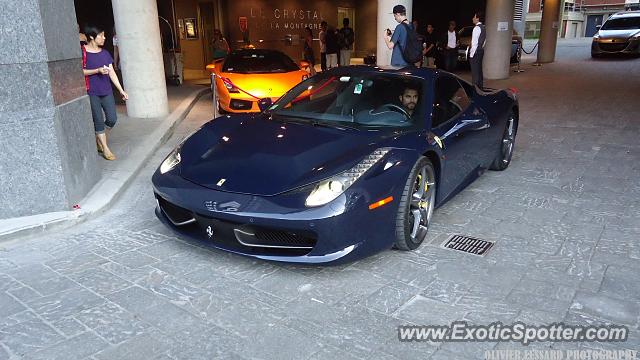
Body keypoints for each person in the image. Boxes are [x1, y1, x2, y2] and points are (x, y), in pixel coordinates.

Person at [82, 25, 128, 161]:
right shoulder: (82, 52)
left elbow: (112, 73)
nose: (104, 38)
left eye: (104, 35)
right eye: (101, 35)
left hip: (106, 90)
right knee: (98, 121)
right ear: (91, 37)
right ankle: (105, 148)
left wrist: (121, 90)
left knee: (112, 119)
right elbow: (80, 71)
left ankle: (99, 137)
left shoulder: (105, 53)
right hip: (92, 92)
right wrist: (97, 70)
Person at [469, 11, 486, 89]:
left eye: (474, 17)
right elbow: (485, 41)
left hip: (476, 52)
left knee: (475, 73)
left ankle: (475, 91)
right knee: (479, 72)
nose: (473, 18)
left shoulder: (476, 28)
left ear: (477, 18)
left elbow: (474, 43)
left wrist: (471, 55)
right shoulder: (483, 27)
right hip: (481, 51)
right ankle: (480, 89)